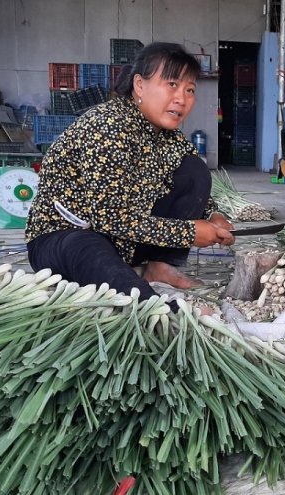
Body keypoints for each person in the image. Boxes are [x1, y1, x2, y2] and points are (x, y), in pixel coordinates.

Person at [25, 42, 235, 313]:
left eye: (190, 89)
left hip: (122, 240)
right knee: (89, 247)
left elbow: (193, 189)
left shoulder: (170, 137)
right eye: (171, 84)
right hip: (65, 238)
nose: (182, 98)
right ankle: (155, 309)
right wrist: (189, 233)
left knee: (194, 170)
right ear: (139, 85)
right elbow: (108, 218)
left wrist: (213, 217)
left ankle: (156, 266)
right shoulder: (107, 127)